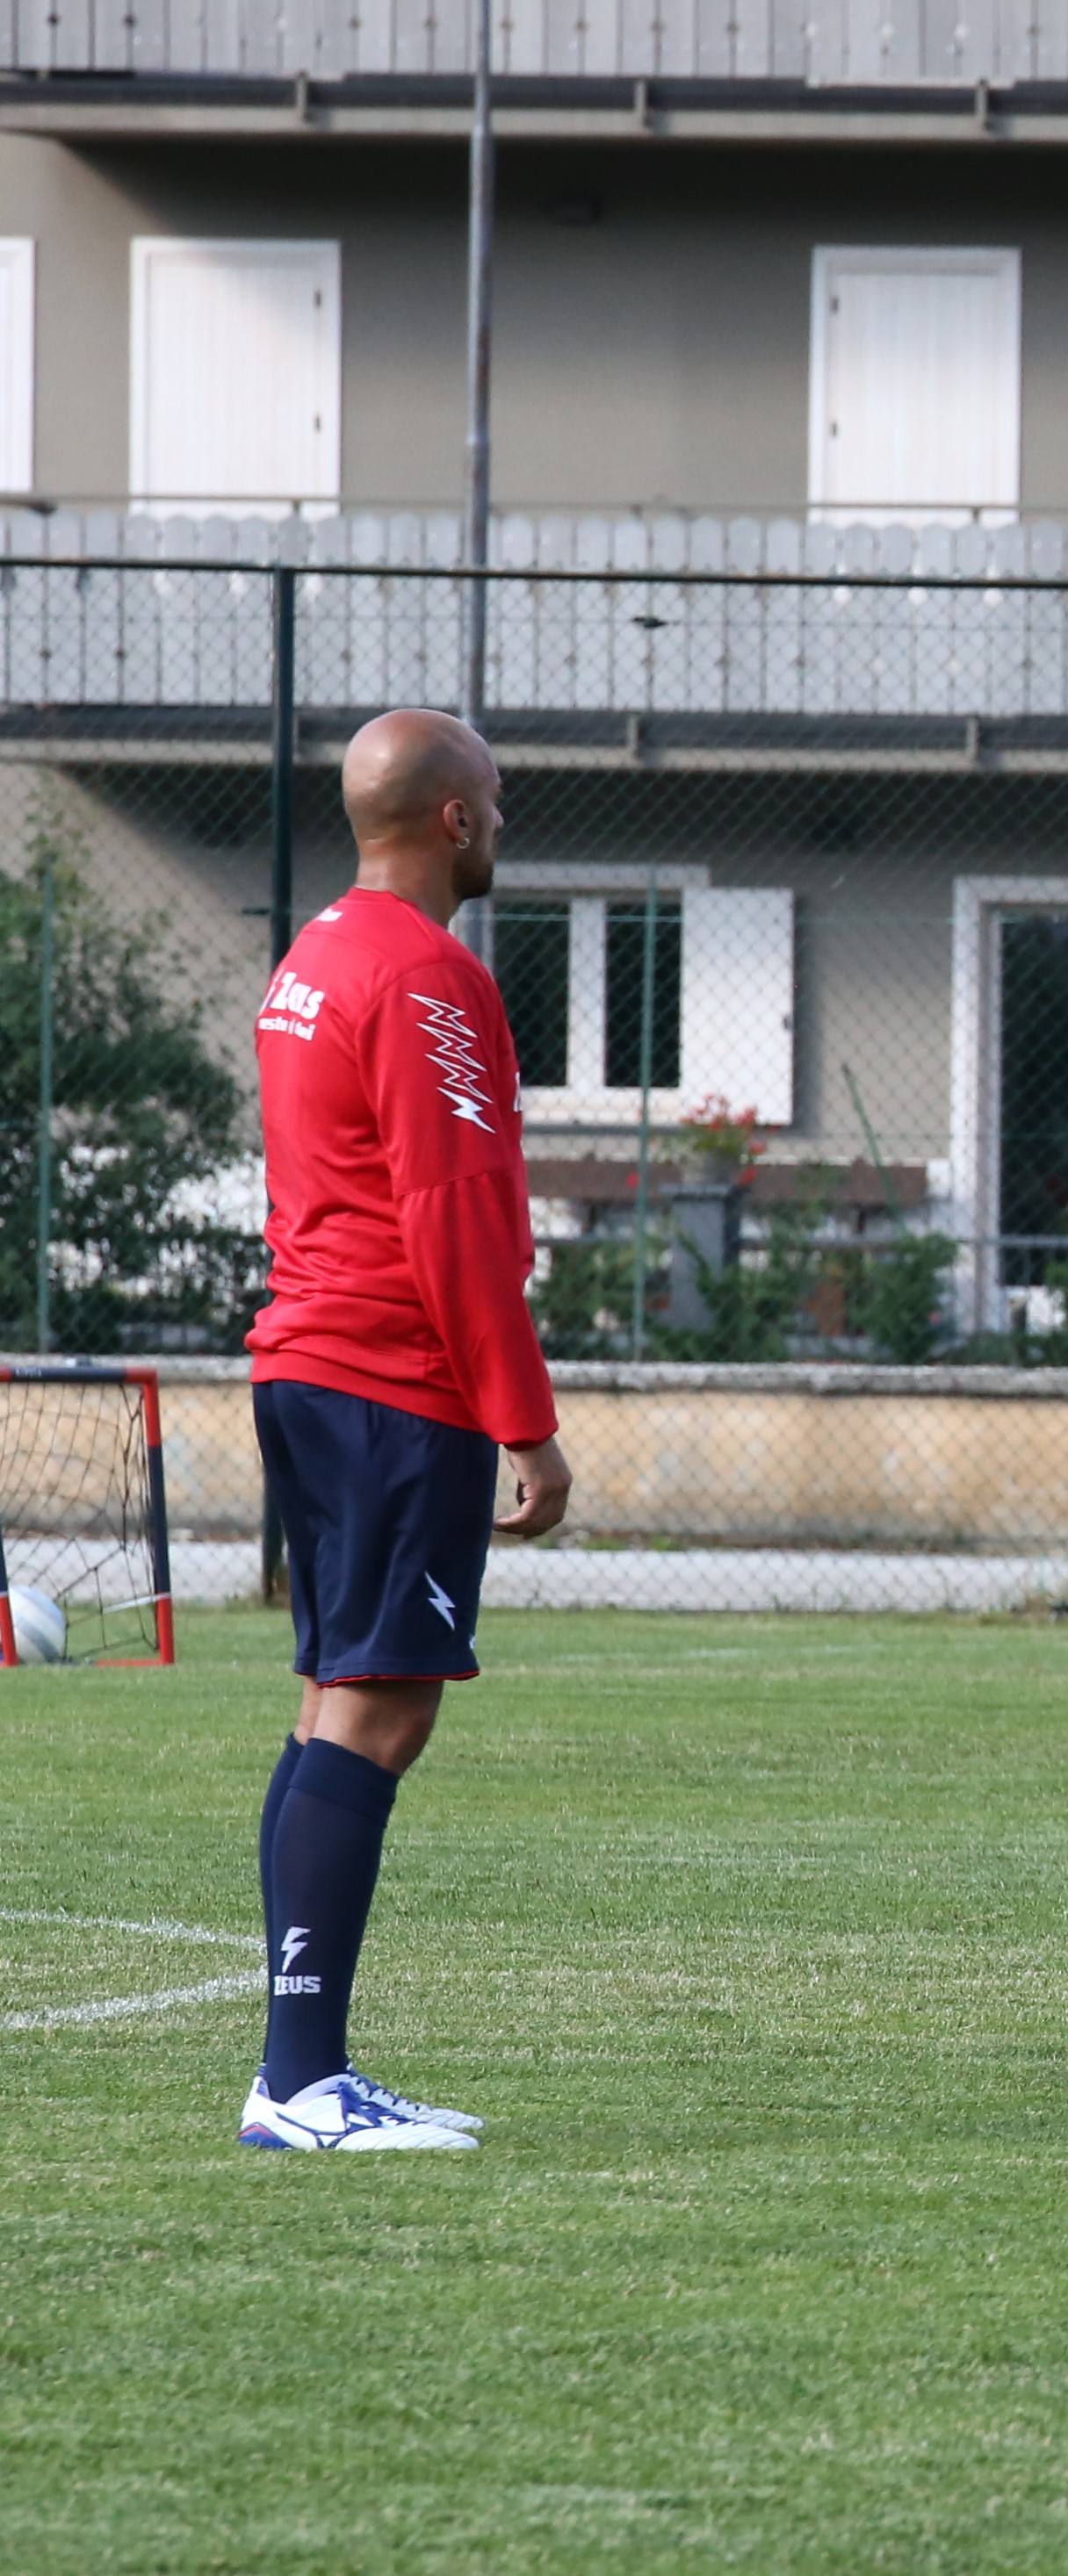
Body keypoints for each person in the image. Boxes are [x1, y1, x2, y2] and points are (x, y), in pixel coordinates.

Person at [239, 709, 571, 2152]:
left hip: (311, 1361)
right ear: (452, 820)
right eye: (493, 796)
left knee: (336, 1698)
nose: (503, 817)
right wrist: (528, 1422)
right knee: (379, 1708)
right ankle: (300, 2083)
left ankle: (301, 2070)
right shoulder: (432, 976)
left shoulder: (314, 957)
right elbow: (444, 1215)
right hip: (392, 1377)